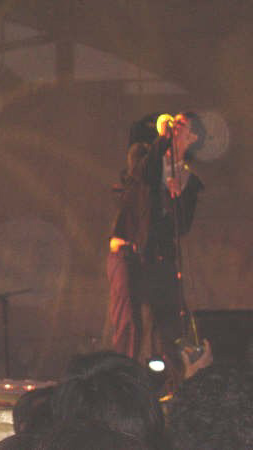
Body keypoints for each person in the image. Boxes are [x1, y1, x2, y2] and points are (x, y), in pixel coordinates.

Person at [107, 111, 206, 368]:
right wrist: (162, 140)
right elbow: (146, 175)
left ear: (193, 137)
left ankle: (174, 381)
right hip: (128, 251)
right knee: (129, 323)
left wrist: (176, 198)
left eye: (181, 124)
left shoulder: (189, 181)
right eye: (173, 121)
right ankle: (124, 380)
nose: (174, 124)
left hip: (159, 256)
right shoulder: (143, 153)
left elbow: (182, 225)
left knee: (169, 325)